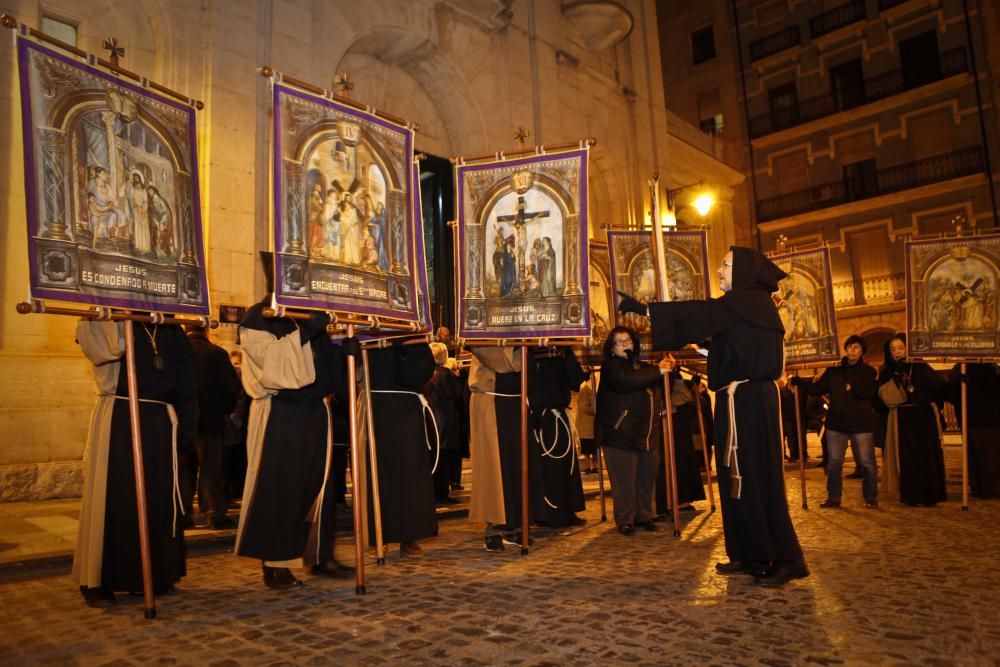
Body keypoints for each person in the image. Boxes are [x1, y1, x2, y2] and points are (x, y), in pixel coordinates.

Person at [618, 246, 808, 586]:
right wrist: (705, 350)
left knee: (754, 477)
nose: (719, 271)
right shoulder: (748, 308)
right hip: (742, 399)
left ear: (746, 272)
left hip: (747, 402)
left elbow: (699, 315)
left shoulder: (745, 302)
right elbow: (727, 343)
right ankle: (751, 553)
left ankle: (787, 558)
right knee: (736, 477)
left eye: (726, 264)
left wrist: (646, 310)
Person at [236, 255, 355, 589]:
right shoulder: (257, 317)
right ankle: (274, 563)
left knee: (320, 487)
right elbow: (274, 366)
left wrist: (346, 355)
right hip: (280, 414)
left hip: (316, 411)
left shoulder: (311, 317)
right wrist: (306, 331)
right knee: (280, 488)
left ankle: (319, 555)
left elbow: (327, 372)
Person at [73, 318, 196, 606]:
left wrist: (189, 425)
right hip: (121, 412)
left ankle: (153, 575)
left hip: (163, 419)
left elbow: (187, 379)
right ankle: (101, 580)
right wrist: (114, 315)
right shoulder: (105, 314)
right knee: (116, 496)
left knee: (160, 501)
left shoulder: (170, 326)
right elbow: (104, 350)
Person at [594, 326, 671, 536]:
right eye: (618, 342)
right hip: (620, 435)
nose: (624, 345)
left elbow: (660, 386)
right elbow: (625, 381)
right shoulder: (611, 366)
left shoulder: (641, 366)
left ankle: (644, 516)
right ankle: (625, 519)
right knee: (624, 482)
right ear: (612, 348)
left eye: (627, 340)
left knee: (646, 478)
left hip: (647, 435)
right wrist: (657, 371)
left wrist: (665, 371)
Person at [365, 343, 439, 557]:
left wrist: (404, 350)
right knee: (379, 473)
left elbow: (422, 372)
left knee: (409, 475)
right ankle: (378, 535)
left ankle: (410, 535)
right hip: (376, 407)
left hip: (406, 410)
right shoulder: (371, 332)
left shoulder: (412, 336)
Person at [468, 347, 545, 552]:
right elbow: (502, 363)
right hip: (491, 402)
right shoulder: (481, 330)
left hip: (515, 403)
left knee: (518, 466)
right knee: (494, 469)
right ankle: (493, 528)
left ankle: (516, 526)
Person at [793, 335, 879, 509]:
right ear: (845, 349)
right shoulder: (834, 371)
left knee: (867, 462)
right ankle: (834, 496)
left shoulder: (868, 372)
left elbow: (866, 393)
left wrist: (849, 373)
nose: (853, 350)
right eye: (850, 346)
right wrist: (800, 382)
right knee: (834, 463)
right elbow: (818, 389)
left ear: (862, 351)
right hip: (837, 424)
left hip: (861, 425)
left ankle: (870, 496)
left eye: (857, 347)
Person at [876, 334, 947, 507]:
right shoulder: (888, 371)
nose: (897, 352)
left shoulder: (921, 367)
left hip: (924, 417)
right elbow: (880, 400)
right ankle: (911, 495)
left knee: (926, 455)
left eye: (901, 347)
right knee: (907, 458)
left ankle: (930, 495)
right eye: (893, 349)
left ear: (909, 348)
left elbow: (937, 389)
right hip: (902, 419)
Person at [183, 323, 242, 529]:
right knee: (211, 468)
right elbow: (233, 388)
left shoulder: (178, 350)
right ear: (206, 331)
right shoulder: (216, 353)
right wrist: (222, 410)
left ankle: (183, 513)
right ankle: (214, 513)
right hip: (211, 420)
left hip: (183, 421)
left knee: (184, 469)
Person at [528, 346, 587, 528]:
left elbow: (575, 380)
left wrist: (568, 353)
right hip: (541, 417)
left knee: (565, 466)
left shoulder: (561, 353)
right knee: (547, 466)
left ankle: (566, 510)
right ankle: (547, 513)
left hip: (558, 414)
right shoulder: (529, 353)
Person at [653, 370, 706, 517]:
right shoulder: (684, 392)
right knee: (681, 467)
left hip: (676, 437)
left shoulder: (678, 392)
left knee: (679, 467)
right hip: (679, 437)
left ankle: (679, 501)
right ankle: (681, 501)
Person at [947, 363, 1000, 498]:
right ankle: (991, 490)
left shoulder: (959, 368)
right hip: (988, 420)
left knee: (975, 458)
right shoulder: (987, 369)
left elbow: (951, 394)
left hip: (967, 419)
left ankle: (979, 489)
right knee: (989, 458)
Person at [425, 342, 465, 505]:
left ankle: (434, 492)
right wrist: (458, 376)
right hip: (445, 420)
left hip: (431, 417)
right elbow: (457, 395)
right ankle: (441, 494)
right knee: (444, 459)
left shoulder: (427, 373)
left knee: (434, 458)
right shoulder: (445, 374)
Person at [574, 375, 598, 474]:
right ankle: (588, 467)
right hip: (586, 427)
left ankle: (595, 467)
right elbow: (585, 408)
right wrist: (596, 408)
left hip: (591, 427)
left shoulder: (591, 391)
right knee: (588, 449)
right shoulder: (585, 391)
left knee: (594, 449)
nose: (596, 382)